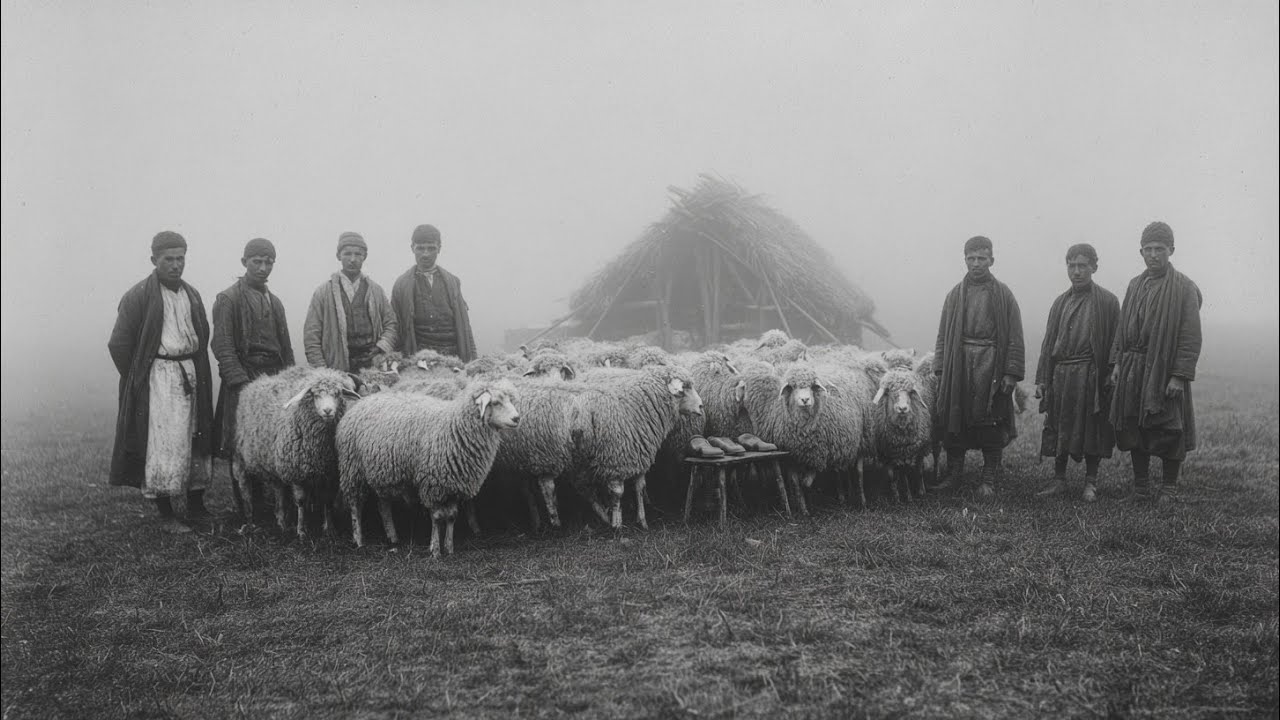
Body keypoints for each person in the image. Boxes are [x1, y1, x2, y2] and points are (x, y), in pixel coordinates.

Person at [108, 231, 214, 529]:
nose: (175, 265)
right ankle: (166, 513)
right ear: (154, 260)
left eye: (180, 259)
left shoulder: (191, 294)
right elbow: (119, 344)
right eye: (169, 259)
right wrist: (140, 376)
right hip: (158, 380)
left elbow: (202, 335)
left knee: (195, 437)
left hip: (191, 374)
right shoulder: (138, 295)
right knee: (163, 443)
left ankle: (196, 505)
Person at [1109, 221, 1202, 504]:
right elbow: (1122, 326)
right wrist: (1116, 363)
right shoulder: (1135, 284)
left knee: (1168, 427)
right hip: (1132, 367)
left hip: (1164, 369)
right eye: (1148, 249)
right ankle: (1140, 488)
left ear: (1171, 250)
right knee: (1134, 425)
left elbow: (1190, 335)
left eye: (1159, 249)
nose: (1153, 255)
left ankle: (1169, 489)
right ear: (1141, 252)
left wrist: (1178, 375)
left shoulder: (1184, 287)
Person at [932, 235, 1025, 496]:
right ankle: (954, 474)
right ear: (964, 259)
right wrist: (941, 367)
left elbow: (1016, 335)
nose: (976, 264)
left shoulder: (1004, 294)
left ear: (991, 260)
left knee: (991, 421)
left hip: (991, 363)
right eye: (971, 258)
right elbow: (942, 334)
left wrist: (1010, 373)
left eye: (981, 258)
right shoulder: (954, 295)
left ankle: (988, 478)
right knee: (955, 419)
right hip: (959, 363)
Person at [1033, 243, 1120, 502]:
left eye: (1083, 266)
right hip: (1062, 373)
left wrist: (1111, 369)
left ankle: (1090, 483)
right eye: (1072, 266)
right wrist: (1042, 379)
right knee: (1059, 423)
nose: (1077, 271)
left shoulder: (1107, 301)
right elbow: (1049, 343)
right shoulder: (1060, 302)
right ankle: (1059, 479)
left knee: (1092, 426)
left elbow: (1117, 340)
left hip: (1091, 374)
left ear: (1094, 267)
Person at [211, 238, 295, 462]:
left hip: (273, 377)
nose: (262, 268)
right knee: (241, 440)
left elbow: (285, 346)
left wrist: (291, 378)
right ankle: (245, 494)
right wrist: (239, 382)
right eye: (256, 262)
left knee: (269, 435)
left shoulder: (274, 302)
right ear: (244, 261)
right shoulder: (229, 299)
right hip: (244, 376)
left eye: (269, 263)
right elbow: (223, 344)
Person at [303, 231, 397, 371]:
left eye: (358, 254)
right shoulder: (323, 293)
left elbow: (391, 324)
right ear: (338, 256)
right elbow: (312, 336)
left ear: (364, 257)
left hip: (372, 365)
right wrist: (322, 371)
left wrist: (380, 346)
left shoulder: (376, 291)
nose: (352, 259)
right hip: (336, 367)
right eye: (347, 254)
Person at [391, 224, 477, 362]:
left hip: (453, 357)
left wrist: (473, 358)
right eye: (420, 248)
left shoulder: (452, 282)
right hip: (419, 359)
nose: (425, 254)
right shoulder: (401, 285)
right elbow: (396, 328)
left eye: (431, 248)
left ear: (439, 249)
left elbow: (465, 325)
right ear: (412, 248)